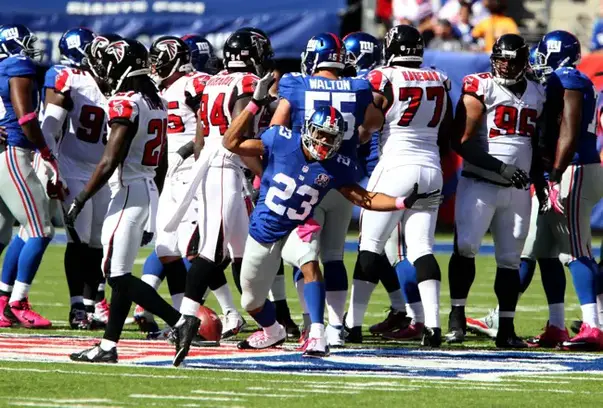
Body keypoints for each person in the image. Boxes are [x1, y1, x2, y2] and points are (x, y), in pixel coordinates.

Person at [218, 98, 439, 360]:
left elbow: (363, 197)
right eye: (321, 134)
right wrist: (254, 104)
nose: (324, 142)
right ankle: (272, 330)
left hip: (297, 226)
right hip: (263, 231)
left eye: (331, 137)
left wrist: (400, 202)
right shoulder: (281, 139)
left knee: (310, 261)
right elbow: (230, 143)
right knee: (251, 302)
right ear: (309, 130)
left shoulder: (337, 165)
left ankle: (317, 333)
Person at [67, 38, 184, 363]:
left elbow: (108, 161)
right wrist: (155, 205)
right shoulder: (155, 100)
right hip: (144, 188)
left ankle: (179, 322)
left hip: (128, 189)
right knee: (119, 272)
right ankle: (108, 346)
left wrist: (81, 199)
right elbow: (159, 164)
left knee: (114, 273)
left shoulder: (127, 102)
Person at [165, 28, 274, 366]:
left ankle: (272, 325)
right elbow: (236, 136)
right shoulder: (244, 86)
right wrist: (263, 173)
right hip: (228, 168)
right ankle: (186, 318)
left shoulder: (212, 82)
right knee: (211, 251)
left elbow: (200, 140)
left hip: (217, 168)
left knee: (245, 254)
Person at [269, 32, 383, 348]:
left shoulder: (295, 83)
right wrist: (351, 139)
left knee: (306, 256)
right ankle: (335, 327)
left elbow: (277, 129)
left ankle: (311, 323)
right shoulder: (358, 86)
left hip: (308, 180)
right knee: (334, 257)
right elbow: (374, 122)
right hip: (344, 180)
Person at [344, 25, 451, 347]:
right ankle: (432, 326)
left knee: (370, 245)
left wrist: (355, 138)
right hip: (431, 165)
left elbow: (371, 124)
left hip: (395, 163)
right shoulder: (440, 78)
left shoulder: (383, 77)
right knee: (422, 248)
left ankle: (352, 325)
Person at [445, 34, 546, 348]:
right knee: (466, 248)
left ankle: (506, 328)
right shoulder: (481, 86)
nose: (504, 65)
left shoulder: (537, 92)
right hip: (480, 183)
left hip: (518, 190)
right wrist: (501, 168)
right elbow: (459, 141)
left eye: (510, 60)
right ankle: (457, 317)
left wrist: (540, 181)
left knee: (510, 259)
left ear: (523, 61)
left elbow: (538, 144)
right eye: (500, 58)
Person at [530, 31, 603, 350]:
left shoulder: (570, 80)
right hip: (566, 168)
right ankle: (557, 324)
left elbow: (569, 133)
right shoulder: (568, 79)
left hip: (575, 169)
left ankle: (593, 325)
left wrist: (556, 174)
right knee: (546, 252)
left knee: (576, 249)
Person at [342, 31, 413, 341]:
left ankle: (413, 315)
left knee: (390, 248)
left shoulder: (370, 82)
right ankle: (401, 309)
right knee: (376, 246)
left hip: (379, 169)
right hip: (375, 169)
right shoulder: (380, 79)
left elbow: (363, 131)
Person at [40, 27, 112, 330]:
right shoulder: (66, 77)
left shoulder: (108, 81)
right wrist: (49, 162)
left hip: (102, 169)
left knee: (98, 242)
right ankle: (76, 308)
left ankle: (94, 304)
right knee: (78, 240)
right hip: (72, 166)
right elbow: (49, 125)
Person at [0, 24, 62, 329]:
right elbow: (25, 117)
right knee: (40, 229)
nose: (30, 48)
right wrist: (45, 151)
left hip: (6, 153)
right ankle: (17, 303)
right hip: (14, 152)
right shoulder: (16, 65)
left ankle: (2, 302)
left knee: (4, 232)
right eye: (25, 43)